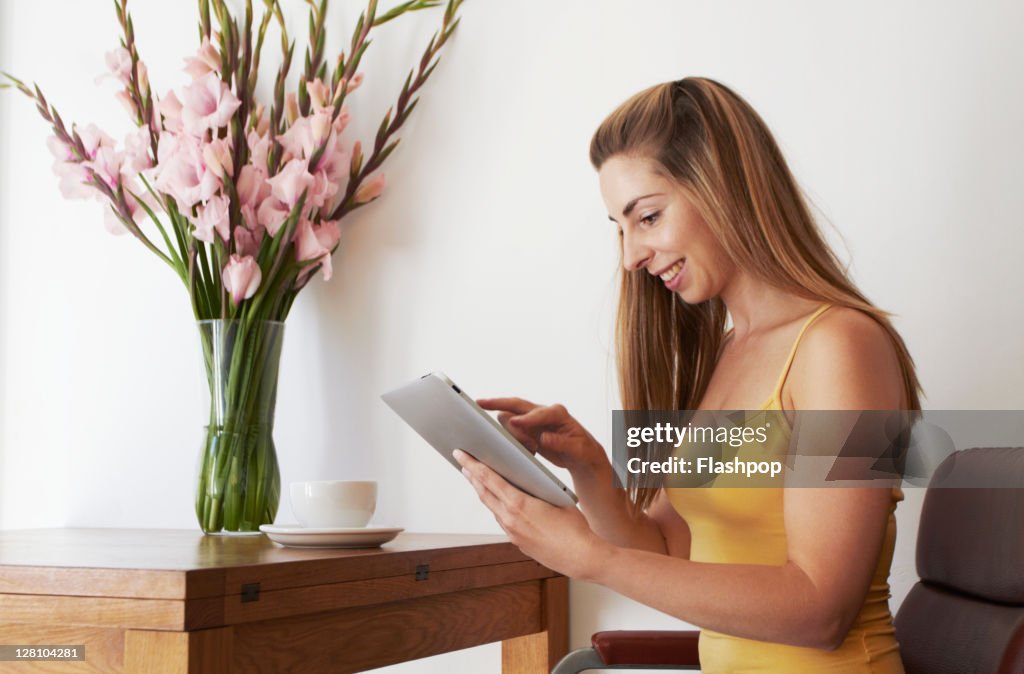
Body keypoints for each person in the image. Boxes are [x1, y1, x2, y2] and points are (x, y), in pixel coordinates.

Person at [453, 77, 921, 673]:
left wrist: (589, 558)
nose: (631, 256)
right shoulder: (727, 354)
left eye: (646, 216)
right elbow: (675, 547)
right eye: (620, 229)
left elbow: (821, 610)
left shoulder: (843, 347)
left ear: (722, 185)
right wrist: (591, 467)